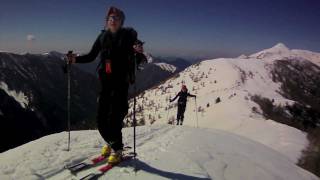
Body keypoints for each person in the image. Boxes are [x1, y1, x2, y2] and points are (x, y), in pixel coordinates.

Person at [67, 6, 147, 164]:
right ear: (106, 21)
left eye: (116, 18)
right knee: (101, 119)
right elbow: (91, 56)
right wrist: (74, 60)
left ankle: (117, 149)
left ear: (121, 21)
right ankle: (111, 143)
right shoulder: (102, 37)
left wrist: (138, 50)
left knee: (115, 118)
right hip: (105, 83)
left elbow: (136, 45)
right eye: (110, 17)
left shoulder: (128, 36)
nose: (112, 20)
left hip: (121, 84)